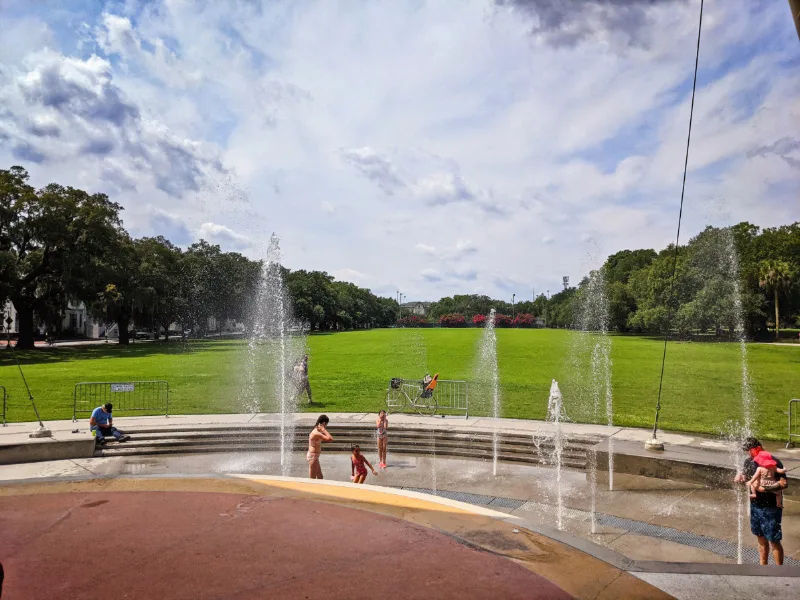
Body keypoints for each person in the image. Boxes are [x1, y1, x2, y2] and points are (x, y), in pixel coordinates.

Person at [734, 437, 788, 565]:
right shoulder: (748, 462)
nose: (748, 454)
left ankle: (779, 571)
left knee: (773, 540)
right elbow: (747, 479)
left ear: (755, 448)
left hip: (771, 507)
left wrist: (766, 488)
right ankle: (763, 567)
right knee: (760, 537)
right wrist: (741, 478)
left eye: (749, 451)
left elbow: (784, 483)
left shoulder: (773, 462)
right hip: (755, 506)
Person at [307, 414, 333, 479]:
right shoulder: (316, 433)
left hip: (315, 456)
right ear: (324, 423)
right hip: (313, 456)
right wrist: (323, 430)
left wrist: (322, 429)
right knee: (312, 480)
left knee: (320, 477)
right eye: (326, 425)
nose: (326, 426)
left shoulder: (317, 430)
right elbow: (330, 439)